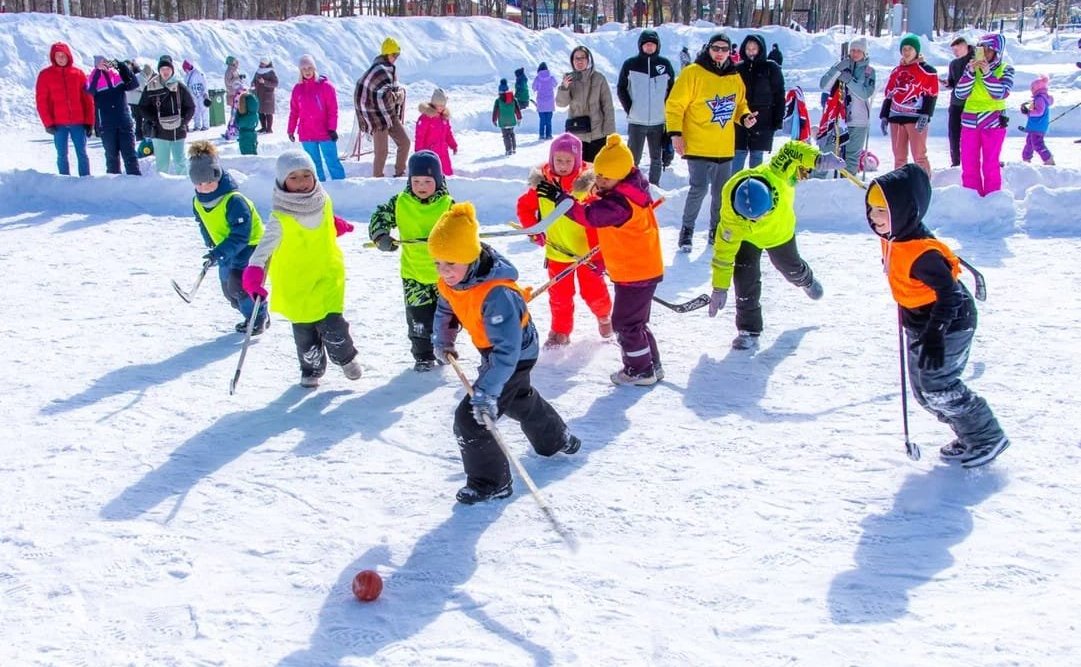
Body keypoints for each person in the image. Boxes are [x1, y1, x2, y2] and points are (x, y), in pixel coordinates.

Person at [428, 202, 581, 505]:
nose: (444, 272)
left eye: (451, 264)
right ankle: (556, 437)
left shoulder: (497, 295)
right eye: (439, 264)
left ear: (471, 259)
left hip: (516, 354)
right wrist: (443, 339)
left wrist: (485, 391)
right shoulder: (454, 282)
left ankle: (492, 483)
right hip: (495, 349)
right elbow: (446, 309)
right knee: (518, 399)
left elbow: (506, 354)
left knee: (472, 419)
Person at [866, 164, 1010, 468]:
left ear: (906, 212)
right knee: (923, 392)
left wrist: (935, 333)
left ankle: (987, 436)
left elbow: (952, 295)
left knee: (939, 386)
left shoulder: (923, 255)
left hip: (950, 322)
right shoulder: (897, 233)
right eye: (872, 209)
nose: (873, 217)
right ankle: (969, 434)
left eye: (882, 211)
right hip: (920, 321)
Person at [537, 134, 663, 386]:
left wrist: (562, 200)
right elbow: (596, 193)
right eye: (599, 174)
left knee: (625, 324)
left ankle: (639, 370)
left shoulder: (621, 204)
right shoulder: (628, 187)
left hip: (635, 271)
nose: (599, 180)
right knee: (636, 322)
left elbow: (589, 216)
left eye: (605, 177)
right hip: (640, 268)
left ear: (621, 174)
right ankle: (651, 365)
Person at [241, 150, 362, 388]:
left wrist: (335, 224)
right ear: (282, 182)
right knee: (305, 332)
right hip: (297, 282)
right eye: (293, 177)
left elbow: (324, 219)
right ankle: (311, 368)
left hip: (327, 273)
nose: (301, 182)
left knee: (333, 323)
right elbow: (264, 249)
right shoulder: (281, 217)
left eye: (306, 175)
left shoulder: (322, 199)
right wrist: (254, 274)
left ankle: (345, 358)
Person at [707, 141, 841, 350]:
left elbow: (792, 150)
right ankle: (748, 330)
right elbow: (723, 254)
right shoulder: (731, 219)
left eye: (764, 214)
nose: (760, 219)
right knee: (744, 277)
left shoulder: (775, 172)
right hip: (748, 238)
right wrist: (719, 288)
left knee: (790, 267)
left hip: (779, 233)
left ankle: (805, 279)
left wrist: (819, 159)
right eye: (756, 218)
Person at [517, 132, 611, 348]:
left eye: (568, 161)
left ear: (577, 161)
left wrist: (601, 255)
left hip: (587, 253)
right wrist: (535, 230)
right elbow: (524, 207)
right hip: (557, 252)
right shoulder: (542, 184)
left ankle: (604, 315)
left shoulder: (587, 186)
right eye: (558, 160)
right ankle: (560, 330)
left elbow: (599, 219)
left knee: (593, 292)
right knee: (560, 296)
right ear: (551, 159)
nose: (563, 165)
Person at [665, 33, 756, 253]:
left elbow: (739, 104)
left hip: (723, 146)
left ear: (729, 52)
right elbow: (675, 105)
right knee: (698, 188)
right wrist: (676, 133)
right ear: (709, 49)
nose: (720, 53)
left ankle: (716, 230)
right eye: (716, 48)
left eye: (724, 49)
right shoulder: (693, 73)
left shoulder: (734, 76)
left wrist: (745, 117)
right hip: (697, 144)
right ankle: (687, 231)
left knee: (721, 192)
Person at [369, 150, 454, 371]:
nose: (422, 186)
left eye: (427, 181)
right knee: (419, 318)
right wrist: (381, 236)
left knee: (446, 317)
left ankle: (445, 348)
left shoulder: (448, 205)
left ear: (438, 180)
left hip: (445, 275)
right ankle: (423, 355)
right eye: (416, 181)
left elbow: (466, 226)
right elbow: (380, 216)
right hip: (413, 274)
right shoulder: (401, 202)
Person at [187, 140, 268, 334]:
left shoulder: (234, 200)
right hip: (225, 248)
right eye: (199, 183)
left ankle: (258, 317)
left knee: (239, 284)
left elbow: (241, 236)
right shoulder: (198, 202)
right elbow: (203, 224)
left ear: (218, 174)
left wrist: (219, 252)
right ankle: (251, 315)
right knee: (228, 291)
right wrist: (212, 246)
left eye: (209, 182)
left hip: (250, 245)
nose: (205, 187)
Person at [954, 33, 1015, 197]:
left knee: (990, 163)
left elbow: (1001, 93)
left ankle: (992, 197)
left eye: (990, 50)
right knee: (968, 163)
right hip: (969, 122)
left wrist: (988, 74)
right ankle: (971, 196)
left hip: (993, 122)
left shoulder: (1006, 69)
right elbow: (959, 93)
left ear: (997, 52)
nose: (986, 53)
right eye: (983, 49)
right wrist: (970, 73)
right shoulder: (970, 68)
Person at [616, 29, 675, 186]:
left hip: (658, 121)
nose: (649, 48)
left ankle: (655, 185)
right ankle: (631, 186)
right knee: (633, 157)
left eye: (652, 45)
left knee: (656, 157)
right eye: (646, 45)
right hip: (637, 121)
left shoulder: (665, 64)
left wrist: (665, 109)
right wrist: (630, 108)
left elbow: (672, 90)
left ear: (657, 46)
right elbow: (621, 88)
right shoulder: (630, 64)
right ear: (641, 46)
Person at [879, 34, 938, 175]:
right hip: (896, 116)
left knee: (919, 155)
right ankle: (900, 184)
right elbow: (889, 95)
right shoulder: (897, 71)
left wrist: (926, 114)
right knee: (899, 157)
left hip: (915, 117)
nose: (906, 52)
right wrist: (884, 115)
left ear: (916, 51)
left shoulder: (927, 70)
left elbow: (932, 93)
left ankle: (924, 184)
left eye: (910, 48)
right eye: (904, 49)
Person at [818, 37, 876, 175]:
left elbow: (865, 93)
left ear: (864, 53)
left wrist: (850, 81)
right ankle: (816, 181)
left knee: (851, 156)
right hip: (837, 119)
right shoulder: (841, 66)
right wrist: (837, 69)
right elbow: (824, 85)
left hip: (859, 120)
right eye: (853, 50)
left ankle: (848, 185)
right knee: (826, 151)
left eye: (859, 51)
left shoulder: (869, 71)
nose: (855, 53)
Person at [35, 42, 94, 177]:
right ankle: (64, 181)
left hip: (78, 123)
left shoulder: (78, 74)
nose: (61, 58)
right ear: (53, 57)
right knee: (62, 154)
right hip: (58, 124)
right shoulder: (45, 75)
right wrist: (48, 123)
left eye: (64, 55)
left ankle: (86, 181)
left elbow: (88, 100)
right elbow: (41, 101)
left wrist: (89, 122)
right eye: (58, 56)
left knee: (82, 153)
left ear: (69, 56)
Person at [355, 37, 410, 178]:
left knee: (405, 142)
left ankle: (400, 173)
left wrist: (396, 95)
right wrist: (398, 97)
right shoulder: (379, 70)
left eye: (398, 55)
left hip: (389, 114)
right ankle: (377, 179)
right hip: (376, 117)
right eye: (394, 55)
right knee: (382, 151)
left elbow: (388, 92)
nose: (396, 58)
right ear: (387, 54)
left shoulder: (389, 69)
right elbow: (383, 95)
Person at [287, 54, 345, 181]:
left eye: (309, 67)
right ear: (300, 71)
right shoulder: (297, 89)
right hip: (307, 134)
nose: (307, 71)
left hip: (325, 132)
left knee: (332, 162)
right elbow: (294, 111)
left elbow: (333, 110)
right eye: (304, 69)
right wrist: (290, 129)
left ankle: (342, 187)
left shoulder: (326, 86)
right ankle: (319, 192)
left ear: (314, 68)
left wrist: (332, 128)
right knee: (314, 165)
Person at [733, 34, 785, 172]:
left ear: (760, 49)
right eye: (748, 48)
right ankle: (733, 188)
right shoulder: (737, 68)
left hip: (763, 119)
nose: (751, 52)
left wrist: (777, 120)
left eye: (754, 49)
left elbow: (779, 95)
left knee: (757, 157)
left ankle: (755, 188)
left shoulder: (771, 68)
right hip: (740, 118)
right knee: (738, 154)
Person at [556, 45, 616, 162]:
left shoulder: (599, 78)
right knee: (579, 170)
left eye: (582, 57)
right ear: (572, 61)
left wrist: (610, 133)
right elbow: (561, 103)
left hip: (597, 133)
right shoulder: (568, 79)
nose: (579, 61)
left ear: (588, 60)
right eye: (576, 58)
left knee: (595, 170)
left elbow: (608, 106)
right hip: (576, 133)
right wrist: (564, 87)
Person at [138, 55, 196, 176]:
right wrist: (154, 119)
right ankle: (163, 189)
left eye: (168, 69)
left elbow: (191, 106)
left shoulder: (180, 87)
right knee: (162, 165)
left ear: (172, 70)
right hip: (159, 132)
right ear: (159, 70)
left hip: (178, 132)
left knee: (180, 162)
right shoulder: (151, 86)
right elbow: (142, 107)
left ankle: (182, 189)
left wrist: (183, 122)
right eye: (162, 69)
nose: (165, 72)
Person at [87, 56, 141, 175]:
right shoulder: (93, 77)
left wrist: (121, 65)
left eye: (106, 62)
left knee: (130, 156)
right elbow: (90, 92)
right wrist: (97, 71)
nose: (104, 64)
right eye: (101, 63)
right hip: (107, 125)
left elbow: (134, 84)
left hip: (124, 122)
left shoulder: (117, 76)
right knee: (112, 158)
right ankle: (114, 187)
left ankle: (136, 184)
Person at [942, 37, 974, 168]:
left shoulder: (975, 59)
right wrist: (947, 83)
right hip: (956, 103)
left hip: (971, 104)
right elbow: (953, 82)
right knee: (954, 134)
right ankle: (955, 162)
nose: (955, 53)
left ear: (965, 46)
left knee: (970, 136)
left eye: (957, 49)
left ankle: (971, 162)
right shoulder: (953, 64)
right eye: (953, 50)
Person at [415, 88, 458, 176]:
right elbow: (420, 136)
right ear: (433, 104)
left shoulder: (444, 118)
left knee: (448, 173)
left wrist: (453, 145)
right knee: (432, 175)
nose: (440, 108)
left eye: (442, 106)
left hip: (443, 152)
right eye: (438, 105)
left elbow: (448, 134)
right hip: (430, 153)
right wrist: (419, 152)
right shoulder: (426, 118)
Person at [1021, 74, 1055, 166]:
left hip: (1038, 126)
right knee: (1029, 143)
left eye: (1032, 88)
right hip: (1036, 125)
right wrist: (1027, 111)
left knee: (1037, 144)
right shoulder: (1040, 98)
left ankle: (1048, 159)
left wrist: (1028, 112)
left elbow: (1039, 112)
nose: (1031, 90)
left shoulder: (1040, 99)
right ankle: (1026, 159)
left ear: (1037, 88)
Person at [492, 78, 522, 156]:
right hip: (511, 120)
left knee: (506, 136)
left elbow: (495, 111)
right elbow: (517, 110)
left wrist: (494, 120)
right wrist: (519, 118)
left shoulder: (498, 101)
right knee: (512, 134)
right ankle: (514, 148)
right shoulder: (513, 99)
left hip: (503, 121)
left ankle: (508, 150)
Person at [252, 57, 278, 134]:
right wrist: (253, 84)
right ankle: (263, 127)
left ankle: (269, 129)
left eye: (262, 63)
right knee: (260, 111)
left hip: (267, 95)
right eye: (260, 63)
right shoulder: (258, 71)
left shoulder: (271, 72)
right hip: (258, 94)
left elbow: (275, 83)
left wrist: (265, 82)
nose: (260, 64)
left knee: (268, 112)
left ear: (266, 64)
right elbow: (254, 80)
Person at [182, 60, 209, 132]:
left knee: (204, 110)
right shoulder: (186, 77)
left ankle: (205, 125)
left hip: (201, 94)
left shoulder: (198, 73)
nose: (186, 71)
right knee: (196, 111)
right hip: (194, 95)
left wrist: (205, 93)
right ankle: (197, 125)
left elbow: (204, 83)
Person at [532, 62, 558, 140]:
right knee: (549, 121)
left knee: (542, 120)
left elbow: (534, 88)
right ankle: (549, 135)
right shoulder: (551, 78)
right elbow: (555, 84)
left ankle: (541, 135)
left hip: (541, 103)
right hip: (550, 103)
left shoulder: (537, 78)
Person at [234, 83, 260, 155]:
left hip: (245, 138)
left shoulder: (244, 118)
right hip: (252, 136)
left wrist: (238, 113)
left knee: (247, 158)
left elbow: (237, 122)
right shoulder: (255, 115)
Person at [127, 61, 149, 141]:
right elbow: (144, 88)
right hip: (138, 100)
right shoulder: (140, 76)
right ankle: (141, 134)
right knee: (141, 118)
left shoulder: (133, 76)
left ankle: (138, 134)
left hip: (131, 100)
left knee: (137, 119)